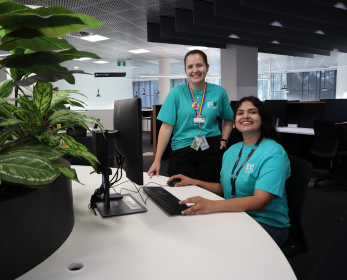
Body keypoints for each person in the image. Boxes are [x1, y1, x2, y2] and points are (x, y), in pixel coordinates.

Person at [168, 96, 291, 246]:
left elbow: (260, 201)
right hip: (236, 216)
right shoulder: (232, 151)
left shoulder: (273, 153)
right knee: (191, 231)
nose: (245, 116)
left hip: (266, 224)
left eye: (252, 112)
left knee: (212, 244)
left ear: (262, 118)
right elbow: (224, 187)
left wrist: (213, 205)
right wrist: (194, 182)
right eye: (240, 113)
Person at [148, 50, 234, 183]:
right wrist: (157, 160)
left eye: (199, 65)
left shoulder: (219, 92)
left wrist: (224, 139)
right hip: (182, 148)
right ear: (185, 70)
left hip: (211, 147)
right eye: (190, 66)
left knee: (209, 188)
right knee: (181, 190)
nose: (195, 70)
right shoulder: (176, 93)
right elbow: (166, 127)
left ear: (207, 67)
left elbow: (228, 119)